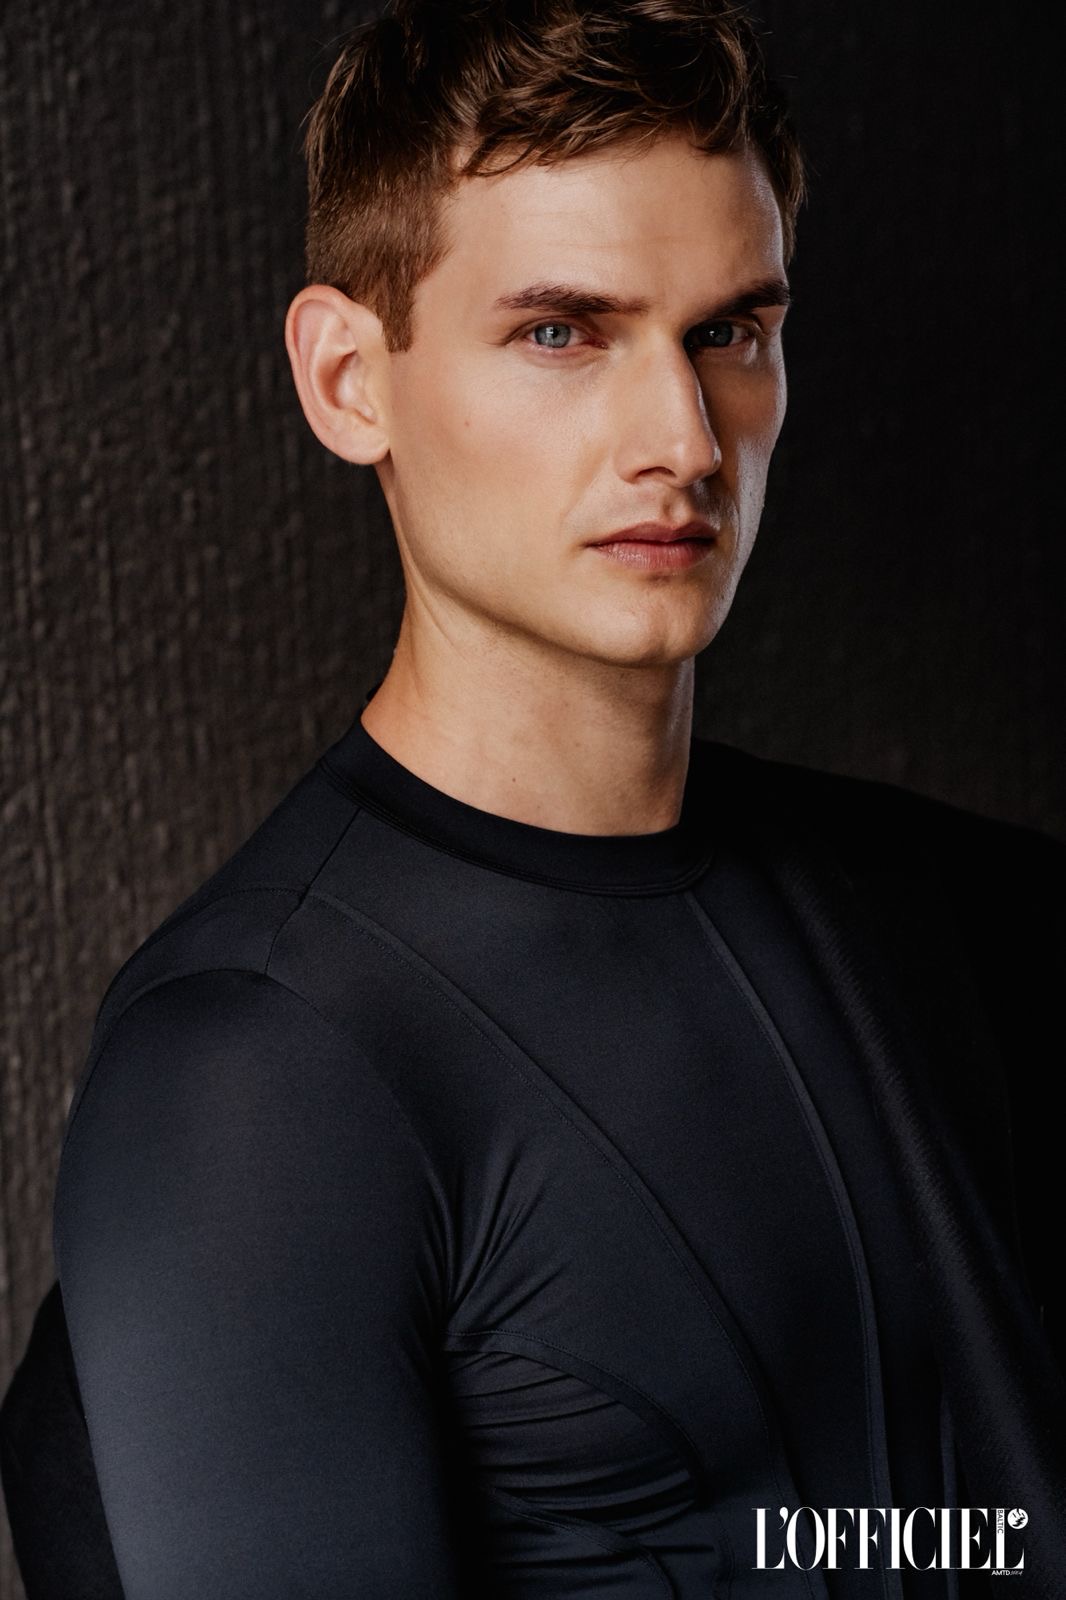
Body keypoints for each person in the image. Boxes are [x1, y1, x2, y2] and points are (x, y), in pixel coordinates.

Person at [2, 1, 1063, 1596]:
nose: (682, 440)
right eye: (563, 332)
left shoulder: (978, 918)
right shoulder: (253, 1078)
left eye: (730, 331)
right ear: (348, 379)